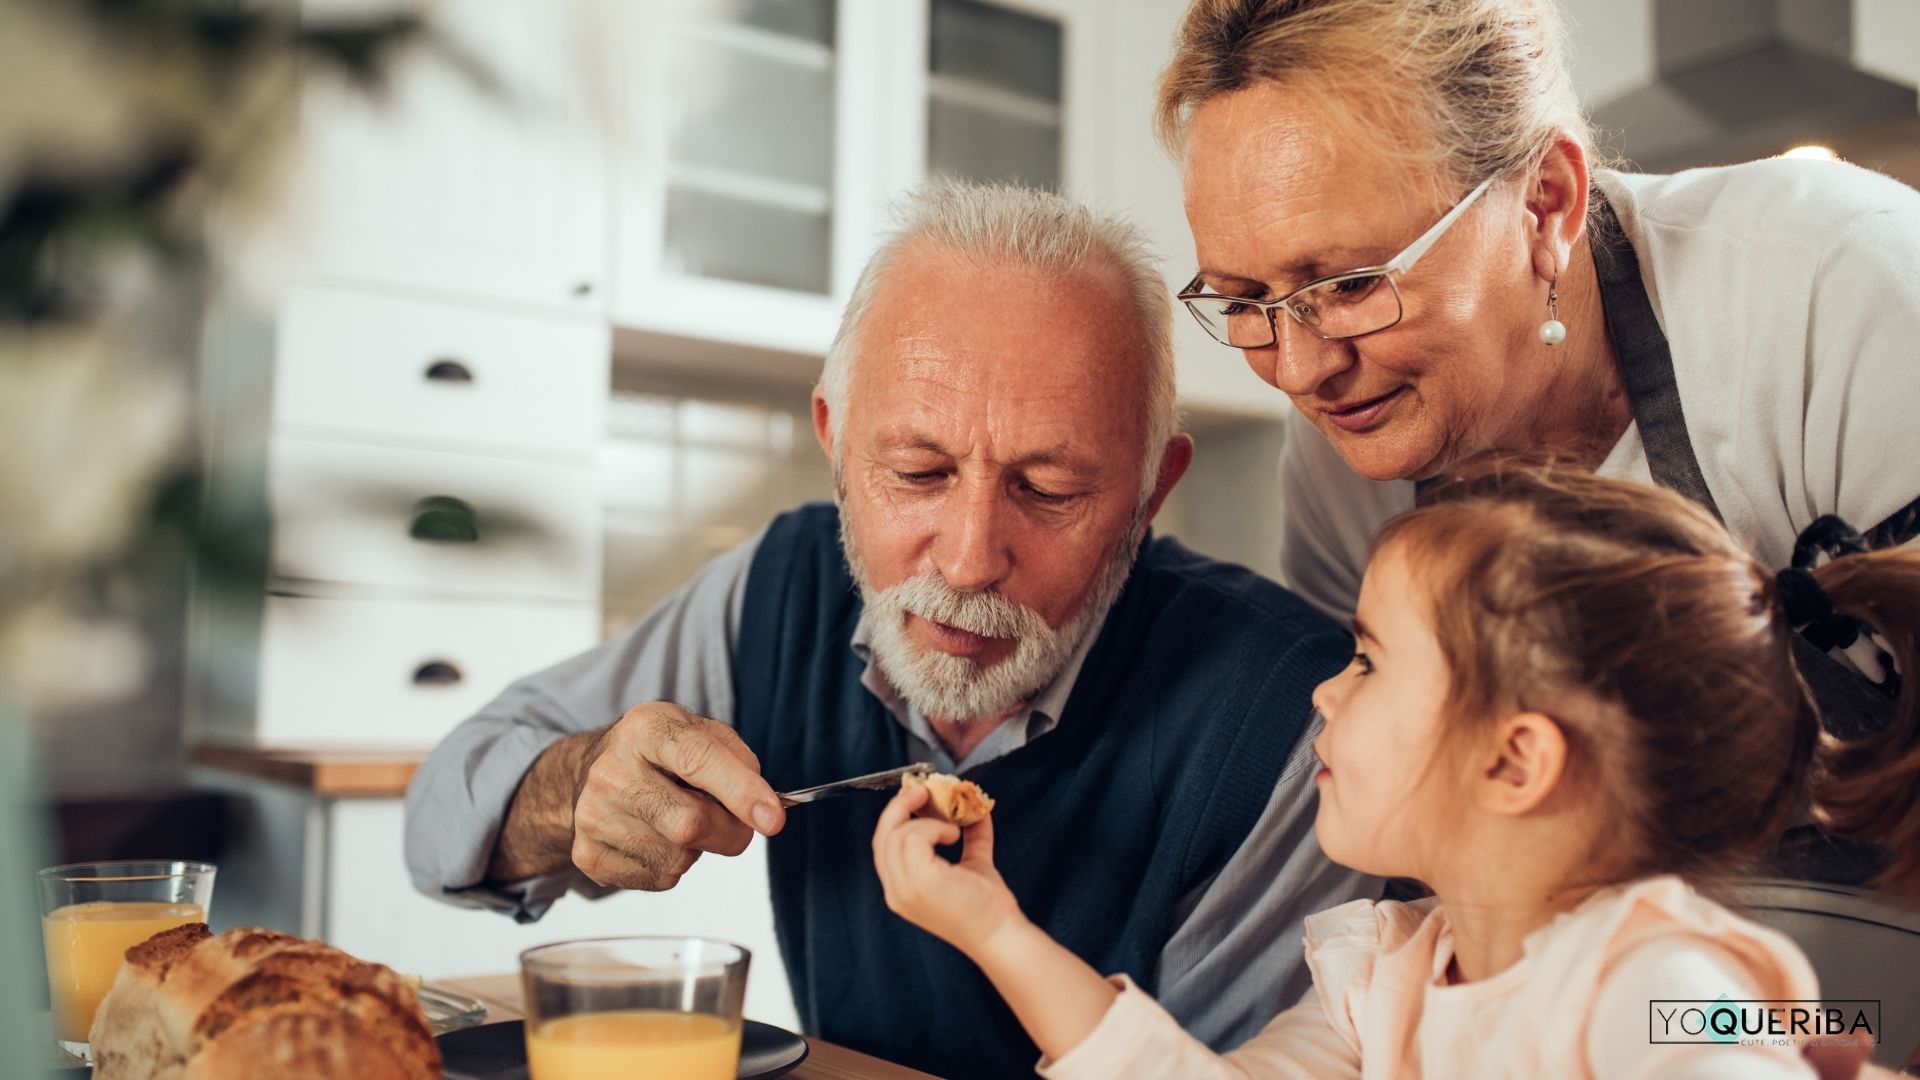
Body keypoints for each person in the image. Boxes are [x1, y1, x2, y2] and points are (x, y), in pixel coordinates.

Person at [402, 182, 1376, 1078]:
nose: (965, 559)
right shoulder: (778, 590)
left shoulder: (1292, 721)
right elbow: (441, 820)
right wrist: (574, 792)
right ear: (833, 436)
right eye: (915, 473)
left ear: (1152, 491)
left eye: (1048, 491)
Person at [873, 462, 1920, 1078]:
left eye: (1368, 660)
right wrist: (993, 929)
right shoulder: (1388, 978)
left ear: (1513, 761)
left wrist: (1806, 1033)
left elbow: (1775, 1033)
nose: (1325, 692)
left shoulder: (1653, 986)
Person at [1154, 0, 1920, 784]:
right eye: (1246, 302)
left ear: (1545, 202)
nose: (1299, 371)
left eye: (1350, 285)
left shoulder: (1835, 288)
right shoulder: (1340, 467)